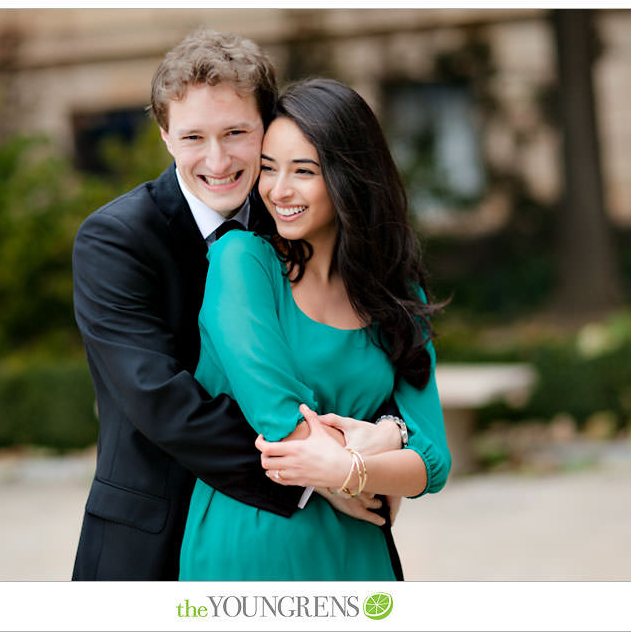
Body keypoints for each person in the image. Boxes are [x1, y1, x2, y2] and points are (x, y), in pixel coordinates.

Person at [71, 30, 400, 581]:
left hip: (311, 544)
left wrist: (384, 440)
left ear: (267, 128)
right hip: (154, 540)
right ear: (165, 136)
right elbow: (161, 398)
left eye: (236, 133)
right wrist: (317, 475)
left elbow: (370, 354)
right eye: (193, 136)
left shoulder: (299, 215)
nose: (217, 159)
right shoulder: (115, 240)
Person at [178, 78, 451, 581]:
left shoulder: (396, 290)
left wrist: (365, 461)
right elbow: (280, 419)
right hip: (256, 540)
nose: (278, 191)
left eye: (303, 171)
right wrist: (378, 452)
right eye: (268, 168)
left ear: (350, 177)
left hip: (363, 549)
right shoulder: (242, 261)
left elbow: (434, 460)